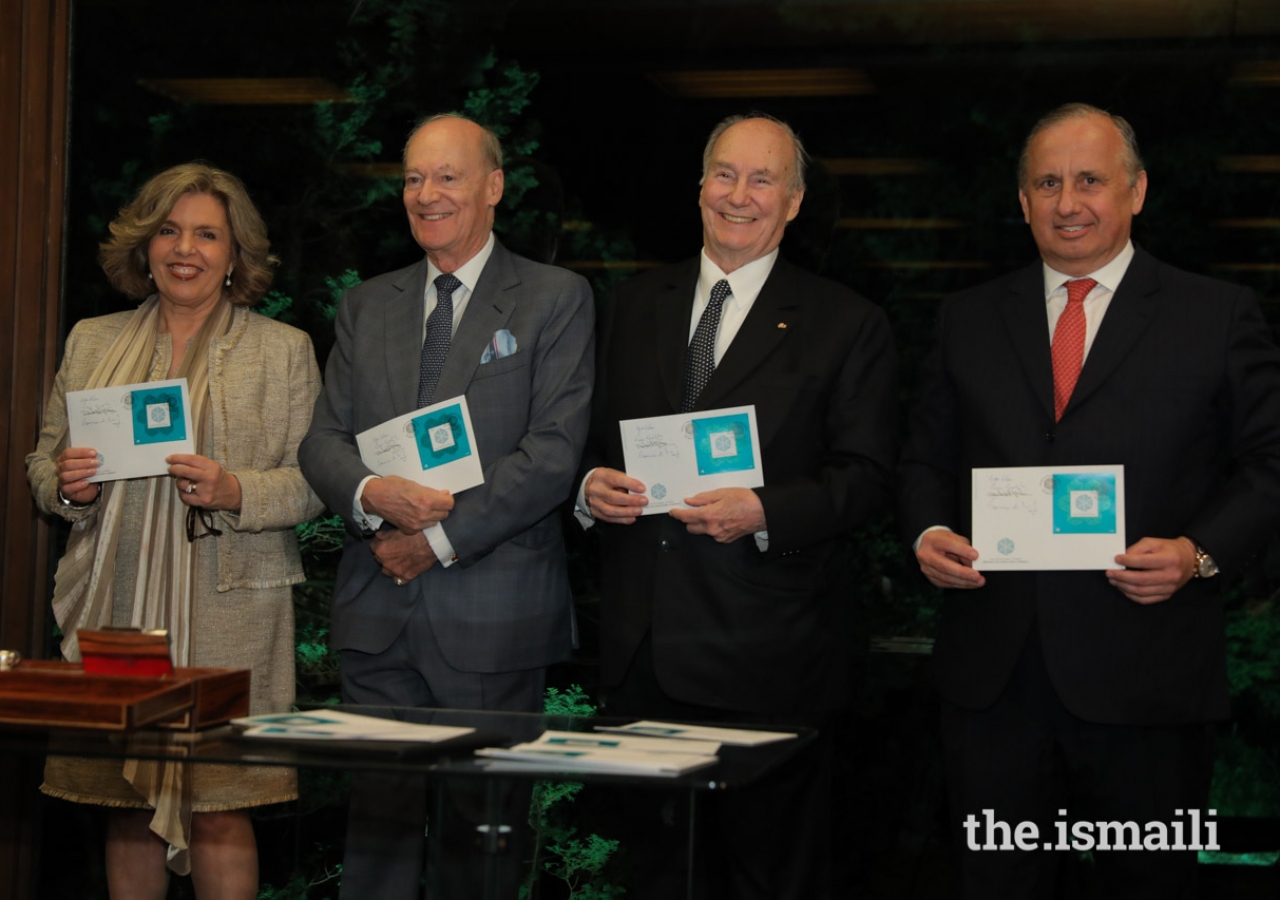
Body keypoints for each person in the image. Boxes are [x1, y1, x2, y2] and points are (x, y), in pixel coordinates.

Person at [899, 103, 1280, 898]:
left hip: (1150, 677)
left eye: (1090, 180)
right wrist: (929, 529)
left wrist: (1198, 553)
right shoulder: (967, 320)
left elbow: (1269, 465)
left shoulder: (1216, 316)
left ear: (1136, 191)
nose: (1068, 201)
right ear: (1023, 201)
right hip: (994, 685)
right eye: (1047, 182)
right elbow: (924, 458)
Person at [578, 113, 898, 899]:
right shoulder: (630, 305)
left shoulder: (847, 323)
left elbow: (865, 478)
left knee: (766, 876)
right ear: (699, 190)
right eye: (725, 174)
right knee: (647, 875)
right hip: (637, 650)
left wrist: (765, 511)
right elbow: (583, 440)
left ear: (793, 202)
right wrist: (588, 488)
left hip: (766, 657)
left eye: (763, 180)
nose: (739, 195)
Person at [297, 113, 594, 898]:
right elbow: (323, 440)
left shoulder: (556, 299)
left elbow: (552, 455)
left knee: (484, 848)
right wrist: (370, 494)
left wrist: (434, 542)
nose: (426, 194)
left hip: (491, 619)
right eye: (413, 179)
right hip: (375, 613)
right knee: (376, 845)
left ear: (493, 188)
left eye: (447, 176)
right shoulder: (367, 306)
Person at [26, 162, 324, 899]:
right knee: (127, 809)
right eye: (168, 230)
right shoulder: (92, 341)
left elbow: (316, 483)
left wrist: (235, 489)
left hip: (231, 614)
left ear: (235, 254)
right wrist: (66, 484)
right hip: (114, 603)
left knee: (221, 808)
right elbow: (44, 456)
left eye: (206, 233)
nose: (184, 248)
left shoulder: (282, 349)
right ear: (144, 244)